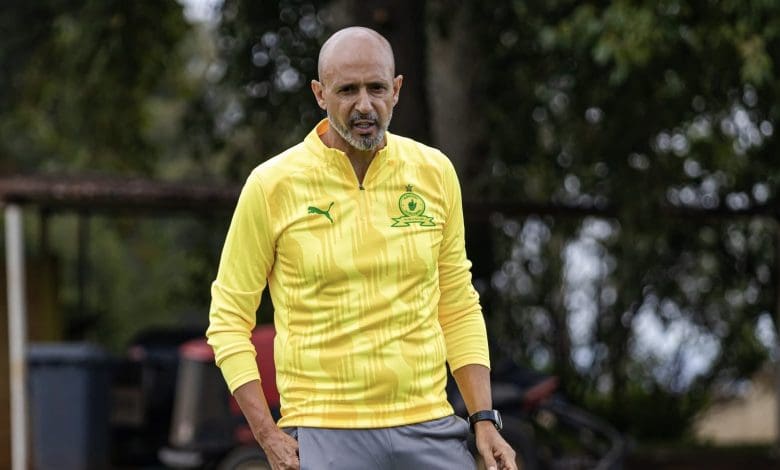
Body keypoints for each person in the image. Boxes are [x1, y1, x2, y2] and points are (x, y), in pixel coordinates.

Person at [207, 26, 517, 470]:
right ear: (319, 94)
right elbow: (228, 319)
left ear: (396, 90)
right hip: (322, 431)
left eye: (375, 88)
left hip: (430, 426)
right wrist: (267, 434)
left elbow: (458, 304)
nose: (364, 105)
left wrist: (484, 419)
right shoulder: (271, 185)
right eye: (347, 90)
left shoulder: (434, 172)